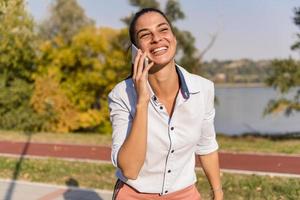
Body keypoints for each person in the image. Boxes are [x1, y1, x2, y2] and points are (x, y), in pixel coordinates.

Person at [108, 7, 223, 200]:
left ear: (174, 38)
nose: (157, 38)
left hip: (185, 194)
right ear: (136, 50)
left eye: (163, 30)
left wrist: (217, 192)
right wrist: (142, 102)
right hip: (134, 195)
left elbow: (206, 146)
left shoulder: (203, 89)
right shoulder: (121, 94)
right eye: (145, 35)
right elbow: (129, 169)